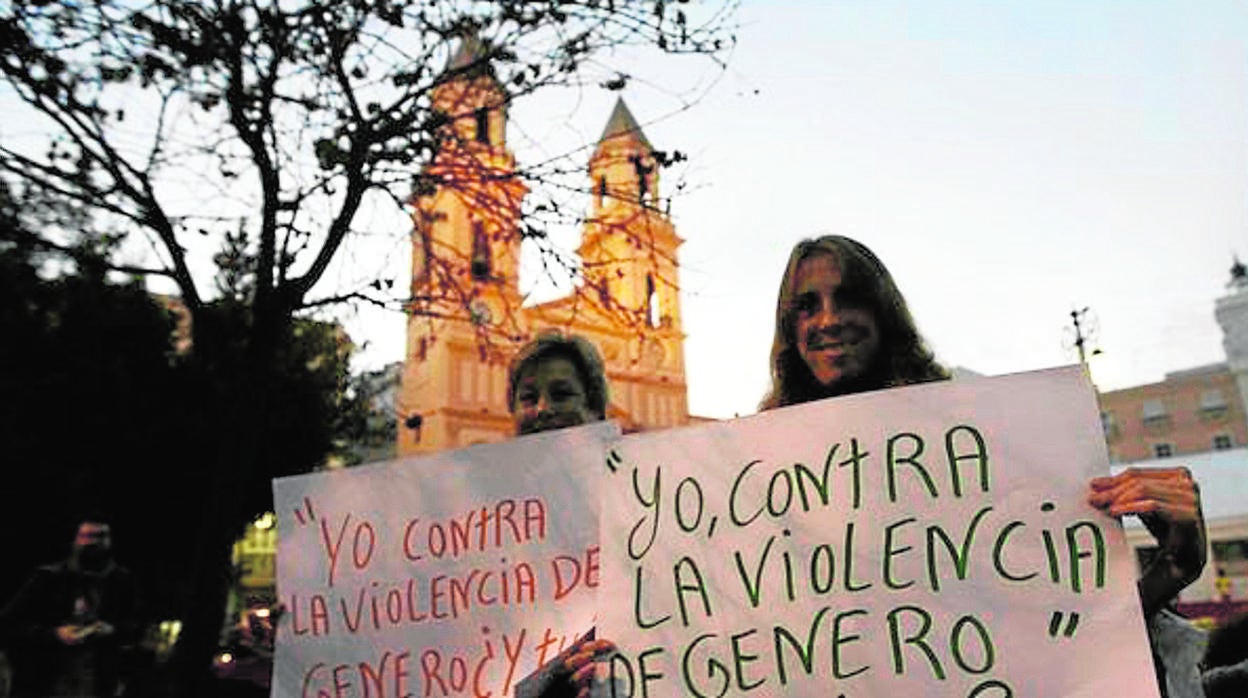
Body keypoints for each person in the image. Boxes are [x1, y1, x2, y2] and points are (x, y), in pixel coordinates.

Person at [763, 234, 1208, 697]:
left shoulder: (981, 430)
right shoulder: (758, 475)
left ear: (884, 312)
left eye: (850, 298)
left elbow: (1063, 632)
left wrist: (1173, 569)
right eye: (807, 306)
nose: (829, 319)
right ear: (788, 328)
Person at [506, 332, 616, 698]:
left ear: (596, 410)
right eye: (528, 397)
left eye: (562, 394)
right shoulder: (483, 527)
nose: (542, 409)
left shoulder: (637, 501)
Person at [0, 518, 140, 697]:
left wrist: (112, 630)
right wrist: (54, 634)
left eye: (100, 536)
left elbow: (137, 625)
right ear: (75, 540)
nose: (92, 543)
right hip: (48, 677)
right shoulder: (47, 578)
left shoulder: (122, 581)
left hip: (97, 679)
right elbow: (9, 624)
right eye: (86, 536)